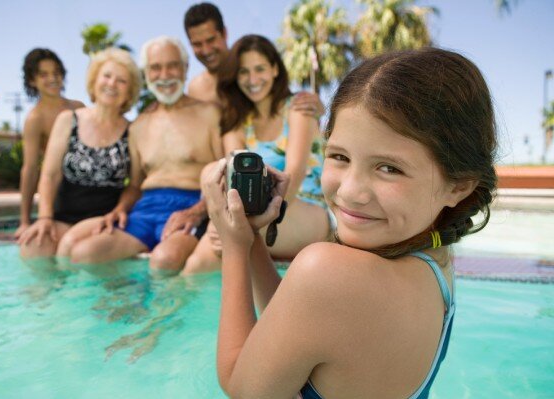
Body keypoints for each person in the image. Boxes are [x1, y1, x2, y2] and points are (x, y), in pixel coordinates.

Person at [202, 47, 497, 398]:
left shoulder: (326, 271)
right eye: (339, 157)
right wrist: (251, 242)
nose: (351, 191)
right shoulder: (436, 260)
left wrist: (233, 247)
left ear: (459, 186)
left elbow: (242, 388)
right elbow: (300, 322)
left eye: (389, 168)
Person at [56, 36, 223, 271]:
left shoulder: (210, 114)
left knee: (164, 260)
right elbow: (135, 185)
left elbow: (225, 173)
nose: (164, 75)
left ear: (185, 69)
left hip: (192, 204)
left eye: (172, 65)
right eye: (155, 68)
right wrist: (119, 210)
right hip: (145, 208)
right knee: (85, 254)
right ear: (146, 74)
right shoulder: (139, 126)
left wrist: (197, 212)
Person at [183, 34, 329, 274]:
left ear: (274, 69)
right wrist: (224, 220)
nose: (252, 79)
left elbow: (295, 174)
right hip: (256, 211)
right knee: (197, 264)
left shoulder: (298, 108)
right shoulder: (240, 122)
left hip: (305, 207)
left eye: (259, 69)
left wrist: (232, 226)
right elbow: (228, 175)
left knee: (228, 240)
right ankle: (176, 309)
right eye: (243, 72)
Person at [18, 48, 141, 259]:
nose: (111, 84)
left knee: (70, 250)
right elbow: (49, 175)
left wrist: (120, 209)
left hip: (103, 221)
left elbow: (136, 185)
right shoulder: (68, 120)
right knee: (33, 249)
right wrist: (44, 217)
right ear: (95, 80)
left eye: (121, 81)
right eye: (107, 76)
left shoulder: (134, 131)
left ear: (129, 92)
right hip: (62, 217)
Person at [183, 2, 322, 117]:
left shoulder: (251, 69)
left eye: (211, 40)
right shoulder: (195, 88)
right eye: (197, 44)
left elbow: (285, 101)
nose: (206, 50)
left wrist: (318, 106)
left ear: (224, 33)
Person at [14, 48, 84, 238]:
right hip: (60, 194)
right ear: (32, 80)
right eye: (43, 74)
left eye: (56, 72)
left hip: (87, 188)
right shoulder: (35, 119)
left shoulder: (79, 108)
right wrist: (25, 221)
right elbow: (30, 169)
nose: (52, 78)